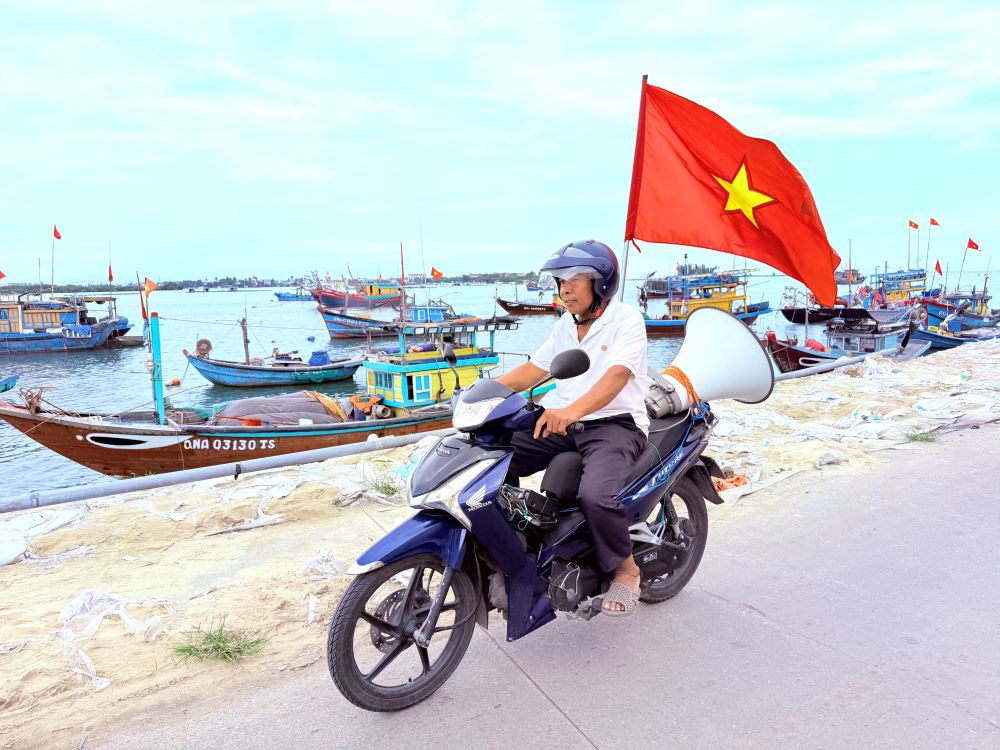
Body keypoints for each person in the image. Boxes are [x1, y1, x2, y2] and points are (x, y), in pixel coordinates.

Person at [495, 240, 649, 617]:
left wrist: (572, 410)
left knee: (596, 496)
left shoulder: (626, 319)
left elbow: (617, 376)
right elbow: (534, 369)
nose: (564, 289)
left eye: (575, 279)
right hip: (568, 421)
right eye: (560, 280)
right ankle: (515, 541)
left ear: (601, 284)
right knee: (496, 454)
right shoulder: (566, 323)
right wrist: (479, 394)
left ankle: (627, 571)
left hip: (615, 424)